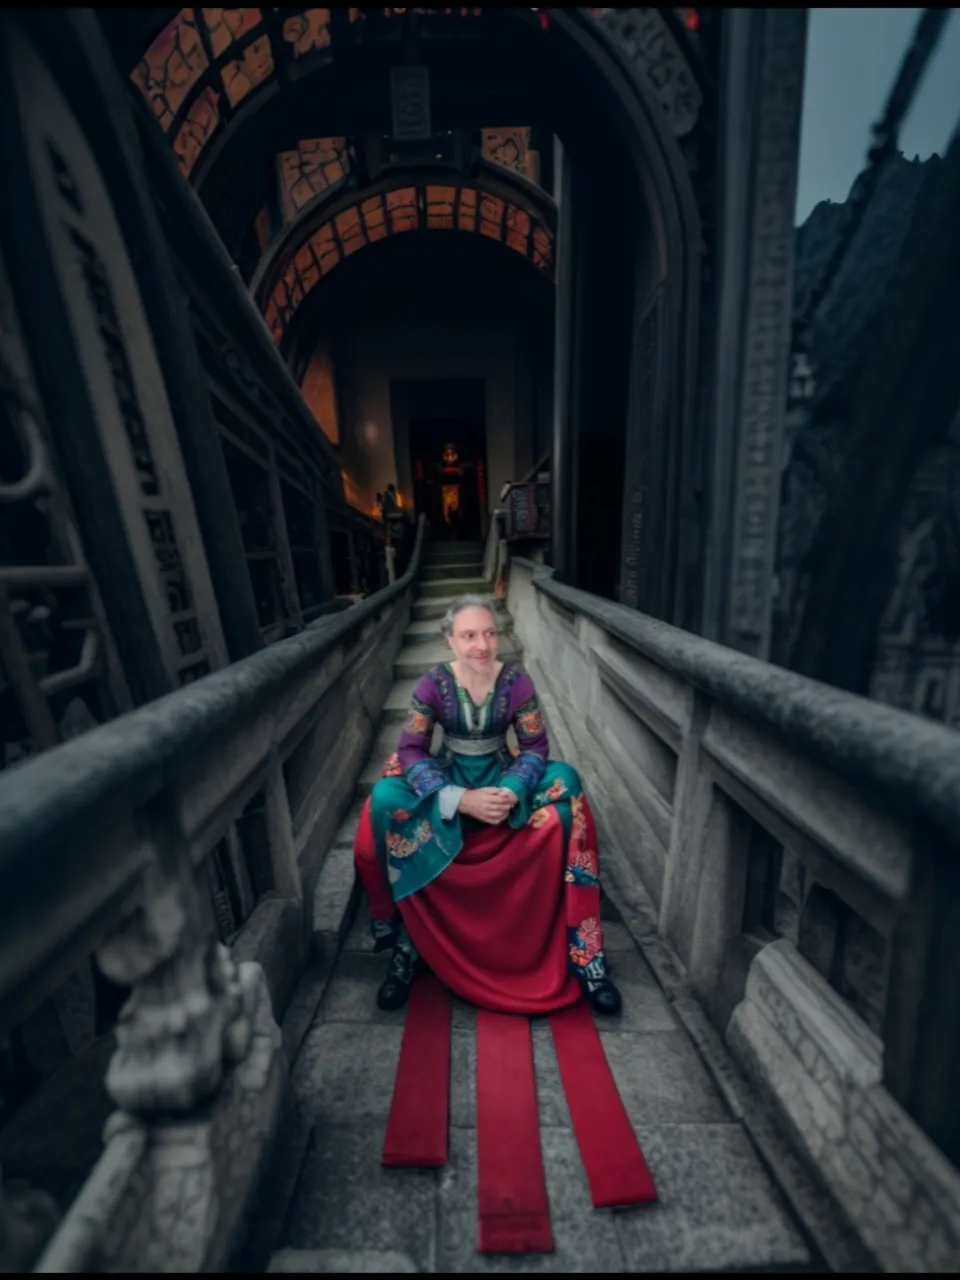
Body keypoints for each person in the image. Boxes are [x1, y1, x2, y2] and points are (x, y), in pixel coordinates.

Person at [353, 594, 622, 1017]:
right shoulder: (432, 685)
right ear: (450, 641)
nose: (482, 645)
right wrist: (459, 799)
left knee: (567, 784)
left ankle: (584, 955)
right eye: (469, 635)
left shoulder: (518, 684)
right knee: (386, 799)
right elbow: (411, 749)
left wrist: (513, 790)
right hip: (450, 778)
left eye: (490, 633)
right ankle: (408, 944)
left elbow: (534, 747)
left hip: (501, 777)